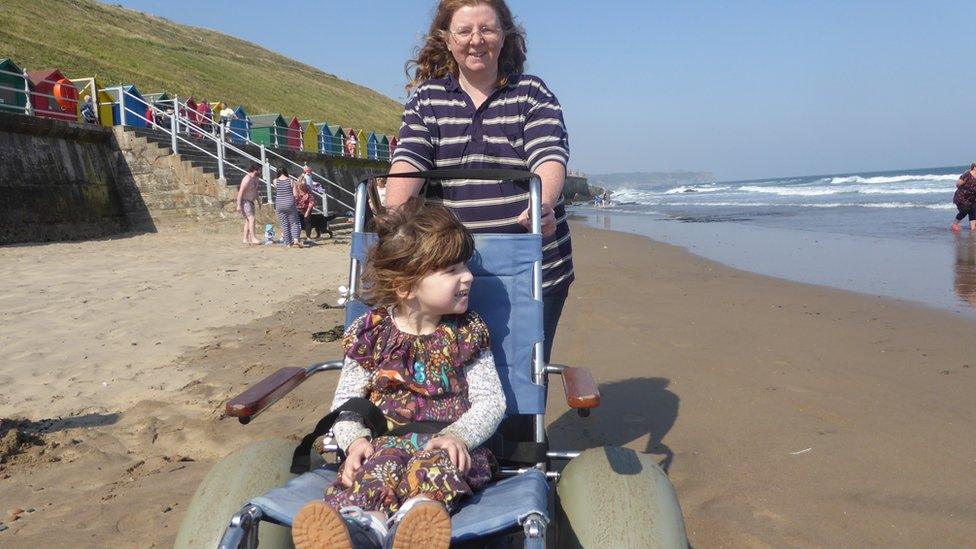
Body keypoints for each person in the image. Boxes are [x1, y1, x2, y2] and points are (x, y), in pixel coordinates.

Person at [290, 200, 505, 549]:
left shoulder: (466, 332)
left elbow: (491, 400)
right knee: (377, 468)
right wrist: (353, 440)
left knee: (437, 467)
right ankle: (363, 530)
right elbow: (348, 402)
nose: (468, 275)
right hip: (384, 443)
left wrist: (460, 436)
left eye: (465, 264)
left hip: (445, 441)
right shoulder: (371, 333)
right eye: (451, 270)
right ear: (406, 287)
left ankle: (415, 523)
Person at [385, 0, 573, 368]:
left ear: (505, 36)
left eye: (487, 29)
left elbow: (548, 155)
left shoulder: (532, 92)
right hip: (448, 268)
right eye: (464, 31)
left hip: (532, 268)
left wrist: (543, 204)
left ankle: (524, 429)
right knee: (454, 372)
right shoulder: (427, 99)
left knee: (523, 371)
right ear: (447, 39)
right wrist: (392, 216)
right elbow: (409, 160)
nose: (476, 40)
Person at [273, 166, 302, 247]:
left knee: (284, 223)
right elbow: (296, 195)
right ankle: (296, 240)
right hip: (290, 203)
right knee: (294, 222)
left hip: (279, 204)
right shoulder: (291, 181)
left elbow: (277, 189)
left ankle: (288, 243)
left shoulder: (275, 181)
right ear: (286, 172)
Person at [236, 164, 262, 246]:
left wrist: (258, 200)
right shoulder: (247, 179)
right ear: (255, 170)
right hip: (245, 201)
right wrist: (238, 205)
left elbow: (255, 190)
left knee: (248, 221)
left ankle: (245, 239)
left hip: (251, 201)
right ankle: (253, 238)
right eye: (260, 170)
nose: (261, 172)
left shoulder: (256, 179)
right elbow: (240, 192)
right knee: (252, 219)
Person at [951, 163, 976, 232]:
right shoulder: (967, 175)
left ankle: (973, 228)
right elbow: (958, 184)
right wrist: (966, 189)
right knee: (965, 210)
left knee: (973, 211)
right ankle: (954, 224)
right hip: (961, 197)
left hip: (972, 198)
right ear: (974, 167)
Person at [295, 171, 316, 242]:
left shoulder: (308, 188)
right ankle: (296, 237)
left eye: (304, 185)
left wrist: (307, 211)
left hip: (307, 207)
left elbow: (312, 200)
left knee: (307, 221)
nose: (303, 187)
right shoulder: (296, 188)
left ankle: (308, 237)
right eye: (301, 186)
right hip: (297, 207)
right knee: (296, 222)